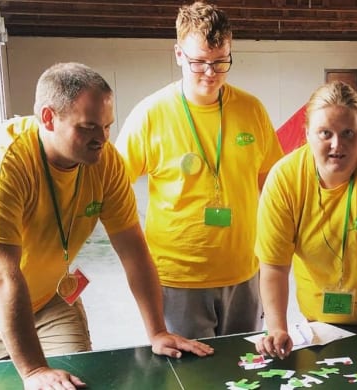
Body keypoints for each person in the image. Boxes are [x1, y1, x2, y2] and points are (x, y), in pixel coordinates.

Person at [0, 62, 213, 389]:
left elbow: (133, 249)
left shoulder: (106, 163)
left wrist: (157, 331)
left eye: (107, 127)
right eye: (88, 128)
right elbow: (3, 275)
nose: (101, 140)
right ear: (49, 118)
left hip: (48, 302)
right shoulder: (3, 165)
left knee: (77, 383)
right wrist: (35, 370)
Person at [115, 1, 283, 338]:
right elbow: (112, 186)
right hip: (178, 279)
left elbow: (272, 183)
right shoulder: (150, 114)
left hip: (244, 273)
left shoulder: (251, 110)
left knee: (242, 371)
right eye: (199, 62)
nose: (210, 72)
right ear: (178, 54)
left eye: (221, 62)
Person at [255, 81, 357, 358]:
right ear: (307, 133)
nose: (338, 145)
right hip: (320, 319)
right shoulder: (284, 178)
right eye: (325, 134)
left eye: (348, 133)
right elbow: (274, 265)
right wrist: (276, 329)